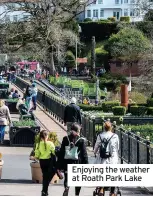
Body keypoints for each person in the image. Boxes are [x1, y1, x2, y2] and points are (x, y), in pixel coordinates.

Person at [57, 123, 88, 196]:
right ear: (76, 131)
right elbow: (84, 154)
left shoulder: (65, 139)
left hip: (67, 162)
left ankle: (67, 187)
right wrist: (86, 164)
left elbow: (61, 152)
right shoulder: (81, 141)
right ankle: (77, 194)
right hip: (77, 163)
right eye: (78, 131)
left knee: (67, 178)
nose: (79, 132)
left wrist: (59, 165)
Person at [94, 121, 119, 196]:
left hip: (102, 158)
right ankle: (112, 192)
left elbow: (96, 147)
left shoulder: (100, 135)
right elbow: (117, 148)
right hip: (112, 158)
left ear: (104, 128)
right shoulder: (115, 136)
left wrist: (95, 152)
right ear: (111, 128)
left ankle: (101, 189)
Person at [34, 130, 56, 196]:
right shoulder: (51, 144)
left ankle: (44, 191)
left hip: (42, 161)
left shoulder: (38, 144)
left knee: (44, 176)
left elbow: (37, 155)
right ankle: (45, 189)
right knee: (50, 175)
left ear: (40, 137)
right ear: (47, 136)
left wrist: (35, 157)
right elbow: (54, 153)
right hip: (49, 161)